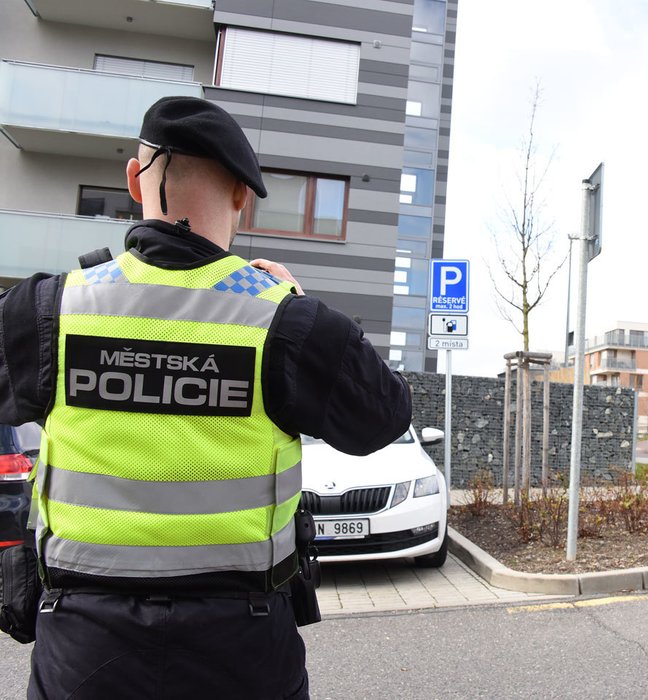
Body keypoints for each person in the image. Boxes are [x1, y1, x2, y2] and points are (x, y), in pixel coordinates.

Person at [0, 96, 412, 698]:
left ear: (135, 180)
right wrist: (307, 309)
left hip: (83, 651)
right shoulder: (286, 324)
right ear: (243, 195)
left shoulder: (50, 310)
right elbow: (384, 417)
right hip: (242, 653)